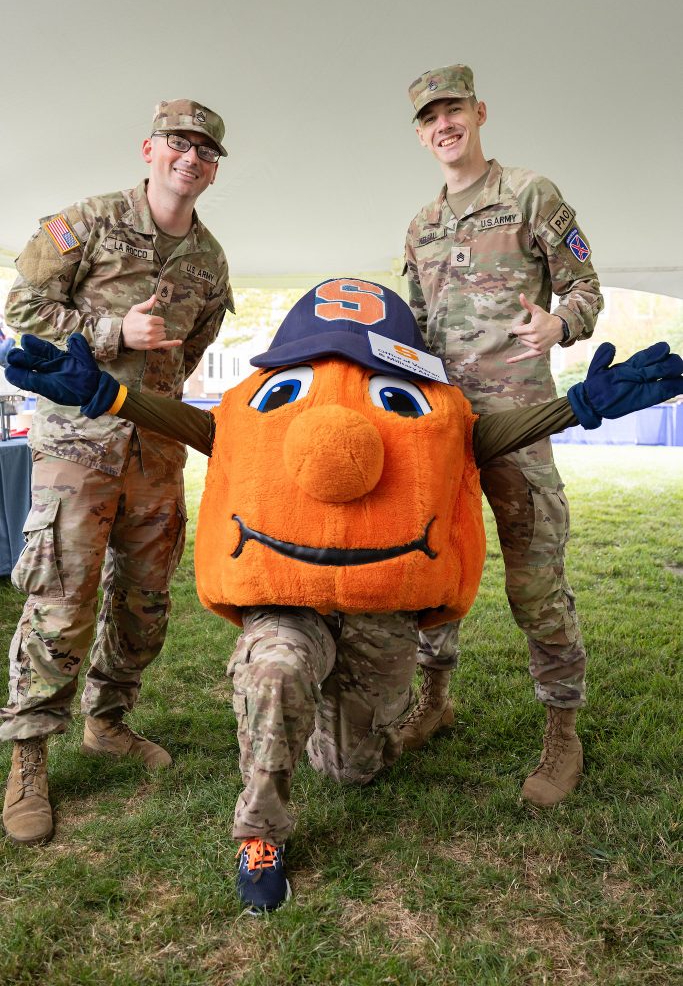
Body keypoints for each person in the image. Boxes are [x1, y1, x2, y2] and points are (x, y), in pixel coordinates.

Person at [7, 280, 681, 912]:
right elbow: (193, 423)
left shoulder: (438, 415)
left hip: (378, 614)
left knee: (350, 769)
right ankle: (259, 833)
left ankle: (369, 713)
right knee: (273, 668)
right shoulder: (255, 408)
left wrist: (582, 405)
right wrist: (105, 394)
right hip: (286, 602)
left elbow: (488, 438)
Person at [1, 99, 235, 847]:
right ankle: (30, 755)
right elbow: (20, 305)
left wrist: (156, 391)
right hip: (78, 448)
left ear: (213, 168)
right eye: (178, 143)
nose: (190, 158)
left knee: (144, 602)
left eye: (205, 150)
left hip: (156, 453)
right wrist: (110, 333)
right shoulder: (88, 222)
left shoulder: (210, 259)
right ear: (149, 149)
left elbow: (193, 345)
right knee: (62, 599)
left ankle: (107, 721)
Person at [402, 64, 604, 807]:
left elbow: (585, 287)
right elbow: (414, 327)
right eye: (427, 118)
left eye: (451, 109)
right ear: (420, 133)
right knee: (431, 566)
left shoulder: (529, 194)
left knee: (533, 577)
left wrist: (560, 322)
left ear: (478, 111)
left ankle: (561, 729)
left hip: (517, 416)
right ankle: (433, 698)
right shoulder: (420, 225)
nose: (441, 125)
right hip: (442, 428)